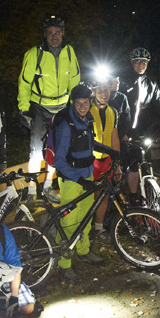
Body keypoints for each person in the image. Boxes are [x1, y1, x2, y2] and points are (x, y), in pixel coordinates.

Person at [52, 85, 117, 280]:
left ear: (90, 102)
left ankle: (83, 251)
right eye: (79, 103)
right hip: (72, 180)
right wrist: (80, 179)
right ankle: (64, 263)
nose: (82, 107)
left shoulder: (87, 120)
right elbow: (59, 161)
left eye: (85, 103)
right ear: (73, 103)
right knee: (69, 222)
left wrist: (110, 151)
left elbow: (90, 143)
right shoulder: (66, 126)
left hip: (87, 175)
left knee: (86, 216)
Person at [17, 15, 81, 199]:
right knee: (36, 151)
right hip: (40, 107)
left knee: (56, 150)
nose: (54, 36)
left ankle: (47, 186)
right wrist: (24, 108)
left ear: (63, 33)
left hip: (61, 107)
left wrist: (75, 107)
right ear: (45, 34)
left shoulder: (69, 52)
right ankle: (31, 190)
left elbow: (74, 81)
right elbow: (24, 83)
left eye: (58, 32)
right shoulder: (34, 54)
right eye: (50, 32)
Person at [121, 47, 160, 194]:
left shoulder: (151, 83)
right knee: (118, 164)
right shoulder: (123, 80)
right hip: (123, 129)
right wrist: (121, 131)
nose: (141, 65)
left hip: (139, 130)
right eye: (137, 62)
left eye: (144, 62)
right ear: (132, 62)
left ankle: (134, 196)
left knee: (136, 163)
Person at [89, 74, 122, 240]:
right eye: (100, 90)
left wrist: (117, 164)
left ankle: (99, 227)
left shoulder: (113, 112)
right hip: (89, 160)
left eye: (106, 90)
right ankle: (84, 229)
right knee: (88, 195)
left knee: (103, 194)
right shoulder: (86, 108)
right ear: (94, 91)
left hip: (106, 160)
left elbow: (114, 137)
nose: (104, 93)